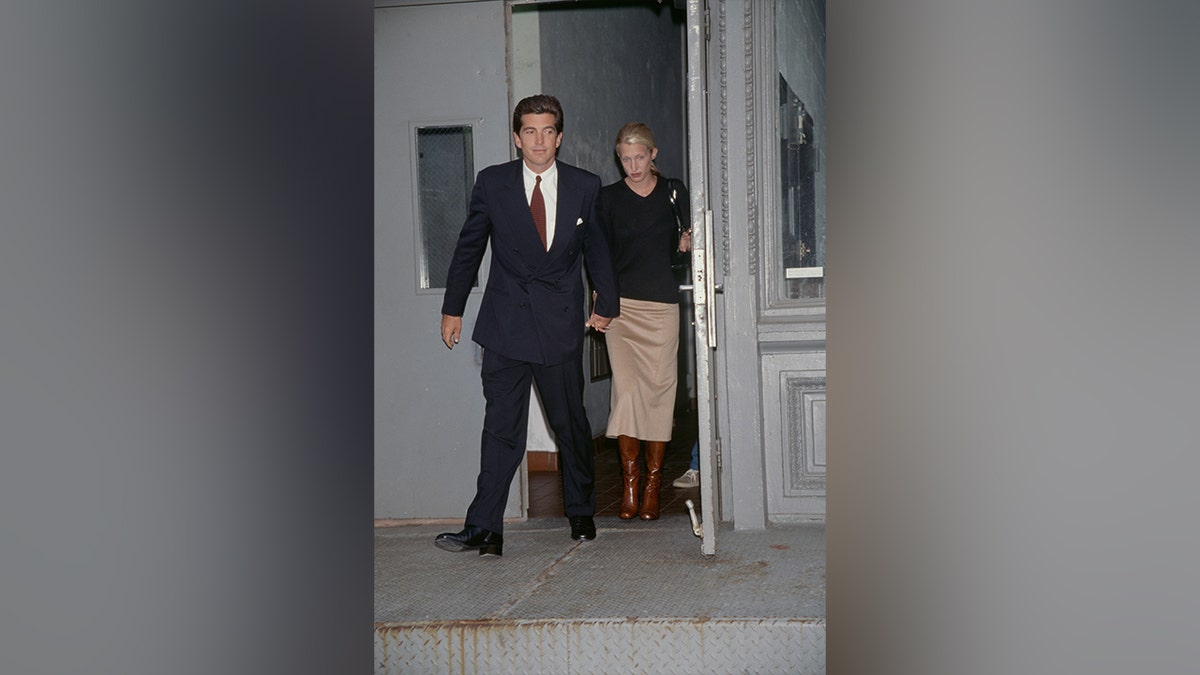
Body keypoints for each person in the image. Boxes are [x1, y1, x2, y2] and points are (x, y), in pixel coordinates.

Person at [435, 94, 620, 557]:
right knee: (501, 428)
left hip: (558, 325)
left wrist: (607, 301)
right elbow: (469, 247)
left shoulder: (584, 185)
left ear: (560, 136)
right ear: (517, 138)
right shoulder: (493, 183)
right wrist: (453, 307)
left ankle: (580, 510)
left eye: (548, 131)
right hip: (504, 325)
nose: (540, 140)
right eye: (530, 131)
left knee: (570, 423)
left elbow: (597, 250)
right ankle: (485, 527)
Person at [598, 122, 691, 521]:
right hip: (622, 310)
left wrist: (688, 243)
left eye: (639, 157)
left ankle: (653, 484)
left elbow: (687, 247)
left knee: (659, 393)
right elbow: (599, 257)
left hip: (662, 307)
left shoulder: (674, 191)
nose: (632, 166)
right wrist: (602, 303)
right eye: (625, 158)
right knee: (628, 392)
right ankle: (630, 483)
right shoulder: (608, 199)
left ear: (653, 155)